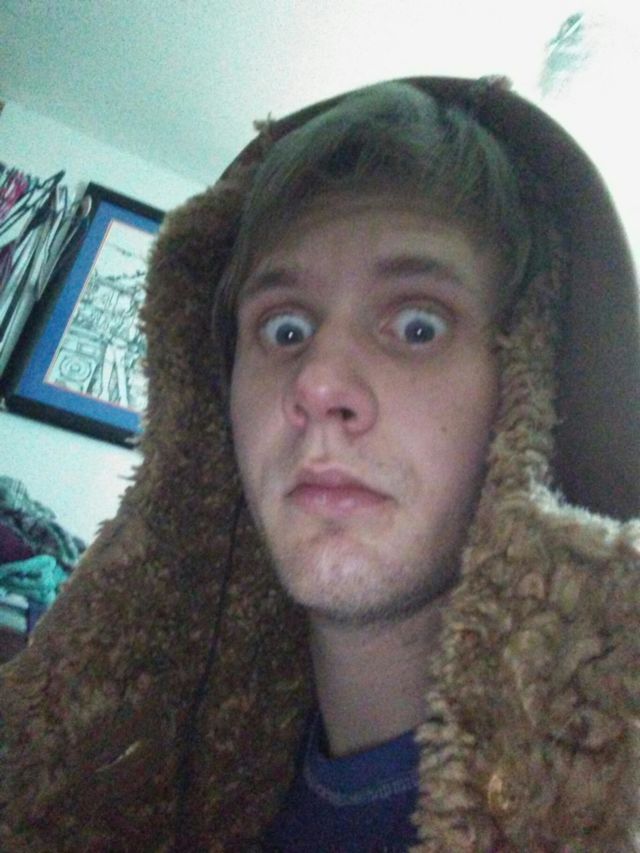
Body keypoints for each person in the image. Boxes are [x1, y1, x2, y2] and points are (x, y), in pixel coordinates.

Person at [1, 76, 638, 852]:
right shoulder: (134, 788)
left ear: (526, 390)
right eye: (286, 330)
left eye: (417, 325)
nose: (318, 383)